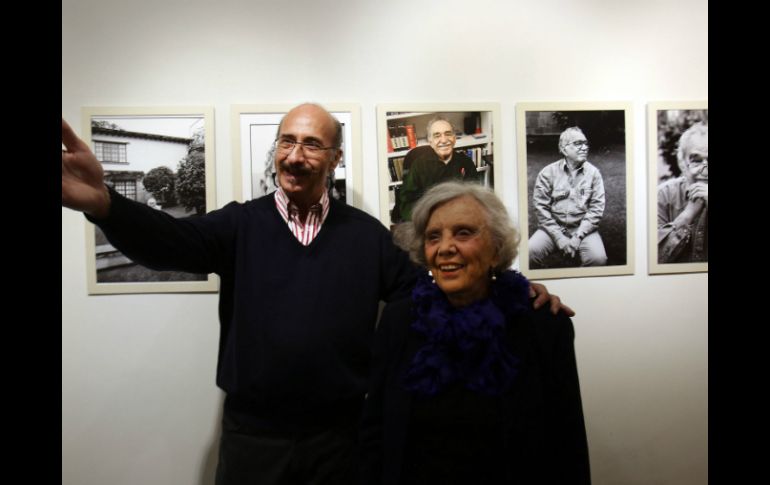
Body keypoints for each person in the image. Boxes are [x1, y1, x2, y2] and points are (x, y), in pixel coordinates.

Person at [62, 103, 570, 485]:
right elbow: (169, 241)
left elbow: (435, 288)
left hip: (340, 442)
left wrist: (509, 289)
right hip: (252, 440)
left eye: (310, 145)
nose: (294, 155)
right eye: (287, 141)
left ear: (334, 158)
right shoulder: (241, 225)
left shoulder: (366, 236)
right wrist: (105, 204)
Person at [360, 181, 591, 485]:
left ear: (496, 249)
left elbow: (567, 444)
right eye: (433, 237)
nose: (445, 248)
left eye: (463, 233)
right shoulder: (399, 321)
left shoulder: (543, 326)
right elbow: (375, 432)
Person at [528, 126, 608, 267]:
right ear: (564, 149)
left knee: (598, 259)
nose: (585, 148)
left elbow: (596, 210)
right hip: (552, 229)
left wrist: (578, 236)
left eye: (585, 143)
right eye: (578, 144)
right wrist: (559, 237)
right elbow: (541, 208)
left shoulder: (594, 173)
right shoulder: (547, 173)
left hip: (583, 229)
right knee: (528, 253)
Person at [398, 116, 479, 221]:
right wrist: (423, 219)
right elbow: (406, 202)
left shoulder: (466, 162)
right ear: (430, 142)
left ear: (454, 138)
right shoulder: (419, 165)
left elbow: (475, 195)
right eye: (437, 136)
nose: (444, 140)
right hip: (428, 219)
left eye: (448, 134)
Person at [657, 122, 708, 263]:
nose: (705, 171)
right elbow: (655, 259)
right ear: (682, 164)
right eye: (696, 161)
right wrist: (687, 215)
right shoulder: (663, 195)